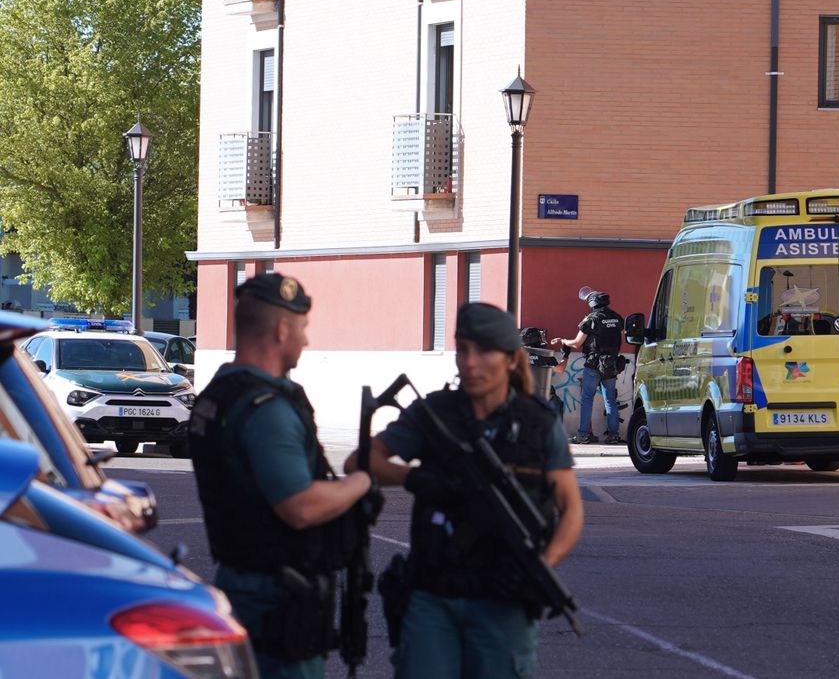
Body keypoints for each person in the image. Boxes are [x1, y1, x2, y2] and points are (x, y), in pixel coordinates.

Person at [356, 302, 585, 677]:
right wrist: (415, 479)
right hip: (433, 593)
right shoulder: (436, 413)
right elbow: (361, 461)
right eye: (463, 350)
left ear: (511, 360)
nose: (471, 363)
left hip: (504, 599)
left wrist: (544, 563)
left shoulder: (538, 423)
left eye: (483, 351)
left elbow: (571, 509)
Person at [190, 274, 379, 679]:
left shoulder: (218, 393)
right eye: (302, 329)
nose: (306, 342)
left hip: (243, 579)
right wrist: (360, 483)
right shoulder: (268, 409)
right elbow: (300, 507)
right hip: (278, 597)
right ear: (281, 329)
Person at [556, 288, 625, 444]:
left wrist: (564, 341)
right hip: (610, 364)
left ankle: (583, 435)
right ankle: (614, 435)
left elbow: (577, 343)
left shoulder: (591, 319)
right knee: (610, 400)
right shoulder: (616, 318)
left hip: (593, 364)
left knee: (587, 398)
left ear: (593, 303)